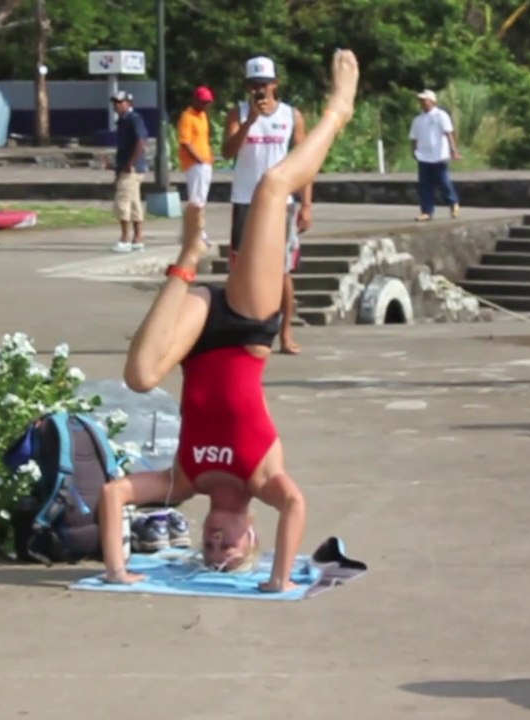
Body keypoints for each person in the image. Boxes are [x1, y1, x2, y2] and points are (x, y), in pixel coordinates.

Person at [98, 49, 360, 593]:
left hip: (196, 337)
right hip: (244, 326)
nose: (216, 540)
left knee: (140, 378)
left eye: (209, 546)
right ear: (252, 533)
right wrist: (278, 580)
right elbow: (296, 504)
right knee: (271, 187)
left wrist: (118, 571)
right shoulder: (262, 480)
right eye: (231, 546)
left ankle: (187, 258)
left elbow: (114, 494)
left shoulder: (183, 482)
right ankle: (340, 110)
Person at [222, 55, 313, 355]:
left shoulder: (291, 115)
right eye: (254, 85)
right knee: (240, 268)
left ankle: (285, 333)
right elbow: (227, 152)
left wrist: (306, 204)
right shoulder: (238, 113)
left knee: (283, 271)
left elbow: (305, 162)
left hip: (280, 202)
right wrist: (250, 121)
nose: (259, 90)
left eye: (264, 84)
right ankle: (243, 332)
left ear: (275, 84)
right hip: (246, 199)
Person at [409, 89, 461, 221]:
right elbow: (413, 137)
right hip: (424, 156)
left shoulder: (441, 115)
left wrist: (453, 150)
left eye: (424, 100)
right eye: (420, 100)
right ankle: (426, 211)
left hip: (439, 155)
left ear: (432, 101)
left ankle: (453, 203)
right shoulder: (418, 119)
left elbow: (448, 133)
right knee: (424, 185)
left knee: (443, 181)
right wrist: (413, 150)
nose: (422, 103)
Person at [111, 90, 148, 253]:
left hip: (131, 168)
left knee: (122, 201)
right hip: (127, 167)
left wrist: (130, 164)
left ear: (129, 103)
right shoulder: (122, 121)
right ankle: (138, 238)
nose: (116, 105)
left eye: (120, 102)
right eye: (115, 102)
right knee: (134, 202)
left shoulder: (133, 119)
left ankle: (125, 238)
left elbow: (140, 141)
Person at [178, 85, 215, 207]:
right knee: (196, 200)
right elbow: (185, 142)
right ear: (195, 100)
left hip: (205, 163)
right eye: (203, 102)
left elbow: (204, 138)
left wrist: (210, 156)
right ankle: (194, 219)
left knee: (202, 199)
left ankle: (199, 219)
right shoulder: (187, 116)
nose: (206, 105)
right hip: (195, 164)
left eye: (208, 102)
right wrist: (199, 160)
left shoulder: (203, 116)